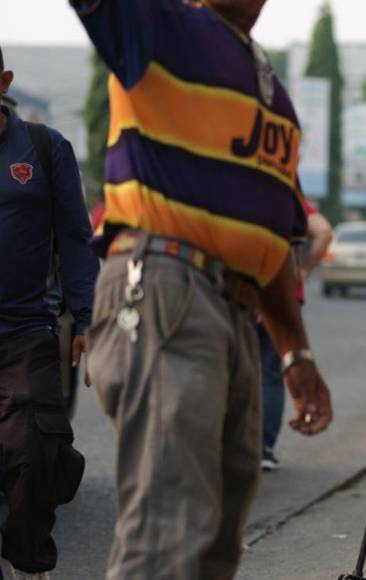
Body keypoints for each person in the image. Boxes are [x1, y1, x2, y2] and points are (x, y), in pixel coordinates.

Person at [70, 1, 334, 578]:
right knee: (167, 537)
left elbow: (269, 242)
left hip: (235, 312)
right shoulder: (156, 24)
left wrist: (296, 353)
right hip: (165, 285)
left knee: (216, 540)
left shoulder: (272, 95)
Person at [0, 45, 96, 580]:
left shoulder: (43, 147)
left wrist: (84, 318)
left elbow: (77, 238)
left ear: (4, 81)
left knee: (35, 456)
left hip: (26, 329)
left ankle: (29, 562)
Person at [260, 200, 332, 471]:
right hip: (284, 299)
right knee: (271, 373)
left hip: (240, 295)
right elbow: (324, 231)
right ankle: (264, 447)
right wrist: (304, 270)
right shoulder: (293, 198)